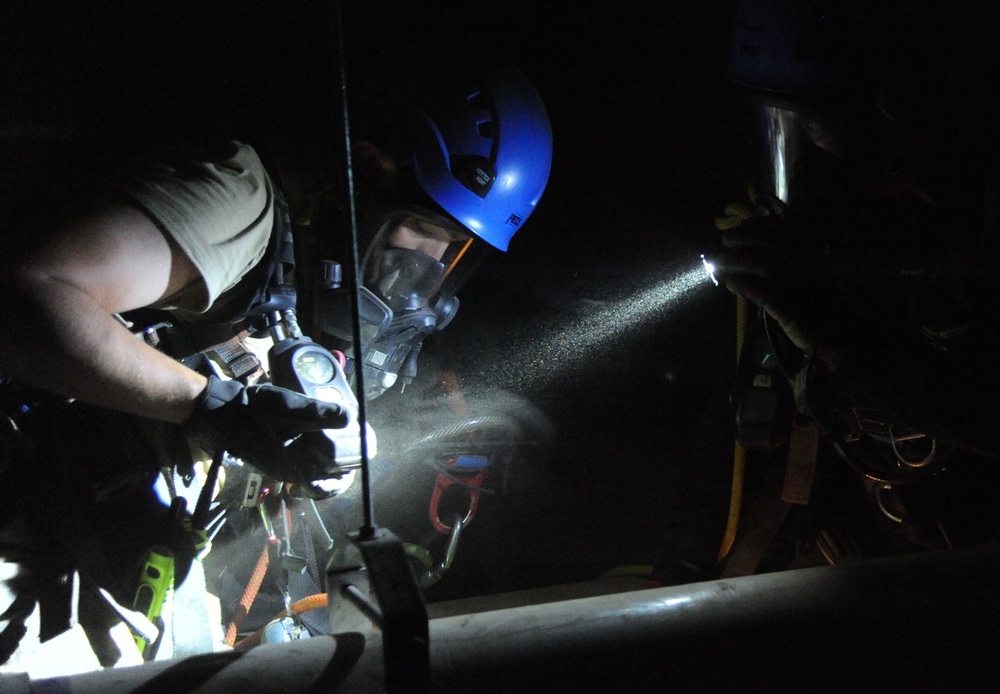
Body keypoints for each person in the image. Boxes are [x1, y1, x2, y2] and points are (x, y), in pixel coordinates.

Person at [0, 36, 553, 671]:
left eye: (453, 253)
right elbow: (23, 298)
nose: (428, 267)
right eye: (428, 231)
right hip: (24, 549)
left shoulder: (310, 279)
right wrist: (216, 407)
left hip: (109, 553)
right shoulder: (241, 199)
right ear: (366, 169)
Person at [695, 0, 1000, 577]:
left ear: (894, 105)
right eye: (780, 127)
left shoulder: (970, 226)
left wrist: (832, 329)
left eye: (812, 124)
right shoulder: (853, 224)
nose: (804, 152)